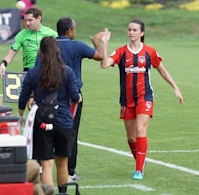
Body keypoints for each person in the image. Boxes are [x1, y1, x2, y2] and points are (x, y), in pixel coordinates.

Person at [100, 19, 184, 180]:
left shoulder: (149, 52)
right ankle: (141, 161)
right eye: (129, 29)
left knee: (140, 131)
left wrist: (175, 87)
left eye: (134, 30)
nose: (131, 32)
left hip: (145, 97)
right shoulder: (121, 51)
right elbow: (104, 65)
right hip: (126, 99)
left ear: (142, 33)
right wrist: (105, 44)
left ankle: (139, 170)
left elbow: (163, 71)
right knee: (131, 138)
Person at [18, 37, 81, 195]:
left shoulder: (33, 73)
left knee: (46, 164)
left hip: (42, 122)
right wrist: (78, 97)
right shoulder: (67, 71)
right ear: (57, 50)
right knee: (63, 163)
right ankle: (63, 193)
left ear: (40, 51)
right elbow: (75, 97)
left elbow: (23, 96)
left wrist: (20, 115)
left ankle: (48, 193)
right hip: (64, 121)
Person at [55, 17, 103, 182]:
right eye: (74, 29)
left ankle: (45, 167)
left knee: (48, 130)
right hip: (72, 96)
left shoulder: (49, 46)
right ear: (69, 31)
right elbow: (101, 56)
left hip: (50, 94)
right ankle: (69, 171)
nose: (75, 32)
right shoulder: (77, 46)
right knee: (71, 132)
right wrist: (97, 41)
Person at [0, 7, 57, 77]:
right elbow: (10, 55)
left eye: (30, 20)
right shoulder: (21, 35)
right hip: (29, 73)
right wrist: (3, 64)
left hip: (48, 72)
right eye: (26, 20)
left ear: (39, 18)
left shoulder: (52, 34)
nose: (27, 23)